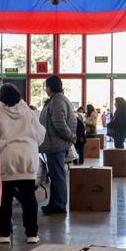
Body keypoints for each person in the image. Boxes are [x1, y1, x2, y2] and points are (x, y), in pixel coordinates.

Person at [0, 83, 44, 245]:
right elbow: (40, 134)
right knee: (29, 198)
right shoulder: (28, 112)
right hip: (27, 157)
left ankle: (4, 234)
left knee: (5, 199)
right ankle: (32, 234)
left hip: (7, 157)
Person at [38, 76, 75, 215]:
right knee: (55, 175)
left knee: (58, 175)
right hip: (54, 144)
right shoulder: (57, 99)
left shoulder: (57, 101)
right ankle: (54, 203)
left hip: (56, 145)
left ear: (50, 87)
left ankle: (59, 204)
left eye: (46, 87)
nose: (45, 90)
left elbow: (60, 125)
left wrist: (71, 137)